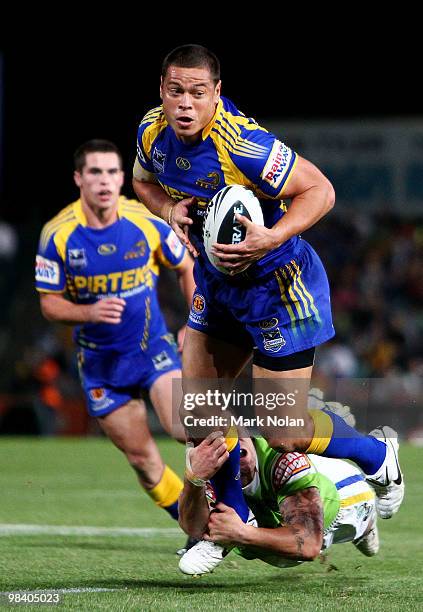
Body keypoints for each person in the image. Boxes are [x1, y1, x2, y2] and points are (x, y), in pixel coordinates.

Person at [132, 44, 403, 572]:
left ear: (216, 94)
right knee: (201, 415)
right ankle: (229, 523)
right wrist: (168, 209)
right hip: (218, 282)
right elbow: (142, 180)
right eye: (175, 91)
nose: (184, 103)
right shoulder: (150, 131)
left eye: (197, 93)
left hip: (279, 285)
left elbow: (320, 191)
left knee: (283, 431)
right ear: (161, 90)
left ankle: (376, 456)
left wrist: (271, 236)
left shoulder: (245, 145)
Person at [35, 139, 195, 528]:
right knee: (142, 460)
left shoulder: (145, 221)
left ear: (122, 177)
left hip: (153, 351)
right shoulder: (57, 235)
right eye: (94, 172)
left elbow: (186, 267)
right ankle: (198, 528)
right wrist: (88, 311)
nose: (104, 180)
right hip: (102, 367)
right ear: (79, 178)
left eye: (111, 171)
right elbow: (49, 303)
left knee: (187, 428)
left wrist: (193, 322)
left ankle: (254, 493)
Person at [178, 432, 379, 575]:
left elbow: (309, 545)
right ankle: (235, 532)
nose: (234, 443)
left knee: (357, 527)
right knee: (249, 539)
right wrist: (193, 478)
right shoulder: (208, 466)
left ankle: (366, 528)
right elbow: (193, 528)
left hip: (345, 497)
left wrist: (241, 533)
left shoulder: (284, 460)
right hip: (275, 512)